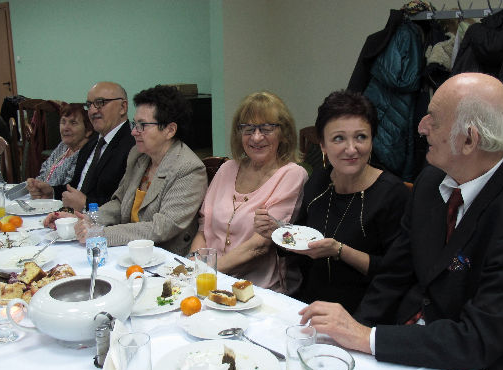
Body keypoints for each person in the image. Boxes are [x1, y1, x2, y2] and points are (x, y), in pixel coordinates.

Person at [299, 73, 503, 370]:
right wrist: (354, 333)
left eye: (433, 120)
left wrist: (367, 338)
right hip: (415, 346)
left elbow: (479, 338)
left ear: (469, 140)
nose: (421, 126)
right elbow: (394, 274)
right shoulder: (431, 181)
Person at [254, 90, 409, 311]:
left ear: (372, 140)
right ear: (323, 145)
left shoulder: (392, 194)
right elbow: (301, 244)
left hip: (364, 311)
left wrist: (339, 250)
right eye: (339, 138)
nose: (351, 149)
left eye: (361, 137)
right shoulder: (319, 181)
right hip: (309, 305)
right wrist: (277, 231)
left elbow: (396, 272)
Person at [43, 85, 207, 254]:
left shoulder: (189, 169)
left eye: (142, 125)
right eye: (135, 124)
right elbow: (119, 203)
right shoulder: (138, 155)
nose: (134, 131)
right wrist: (84, 220)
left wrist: (101, 234)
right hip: (127, 249)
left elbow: (161, 228)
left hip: (163, 256)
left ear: (170, 130)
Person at [190, 91, 307, 292]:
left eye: (267, 129)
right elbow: (203, 229)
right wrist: (193, 265)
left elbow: (258, 246)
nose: (256, 137)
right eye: (248, 129)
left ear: (283, 133)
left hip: (255, 289)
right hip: (207, 279)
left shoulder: (292, 174)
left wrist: (206, 272)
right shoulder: (227, 169)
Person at [27, 81, 134, 211]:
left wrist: (86, 204)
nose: (92, 110)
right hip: (72, 217)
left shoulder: (133, 147)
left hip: (100, 222)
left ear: (123, 107)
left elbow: (127, 204)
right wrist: (52, 192)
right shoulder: (92, 144)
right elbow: (77, 187)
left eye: (100, 103)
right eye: (89, 105)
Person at [32, 103, 94, 186]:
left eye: (73, 123)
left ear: (88, 130)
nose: (66, 128)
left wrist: (44, 188)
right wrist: (35, 184)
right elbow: (44, 169)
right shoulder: (63, 146)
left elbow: (68, 186)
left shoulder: (86, 155)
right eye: (63, 122)